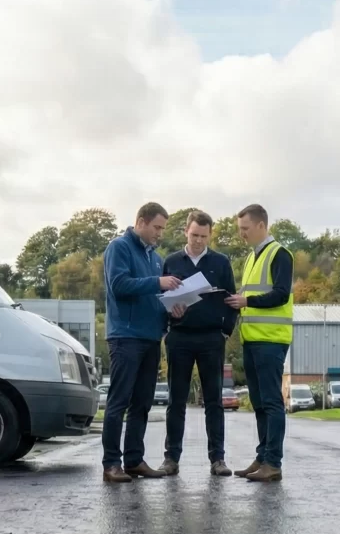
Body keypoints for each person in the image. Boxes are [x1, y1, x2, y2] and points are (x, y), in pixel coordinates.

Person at [100, 202, 183, 483]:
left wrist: (171, 309)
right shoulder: (119, 248)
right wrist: (157, 283)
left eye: (162, 229)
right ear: (141, 222)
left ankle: (134, 460)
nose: (160, 233)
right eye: (157, 227)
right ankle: (112, 463)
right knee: (118, 401)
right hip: (125, 336)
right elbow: (119, 286)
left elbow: (154, 295)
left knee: (142, 403)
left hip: (150, 338)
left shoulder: (156, 259)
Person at [157, 210, 238, 477]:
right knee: (176, 400)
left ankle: (218, 459)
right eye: (194, 235)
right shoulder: (171, 261)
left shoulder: (221, 263)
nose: (199, 241)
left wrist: (225, 331)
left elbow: (231, 300)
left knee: (214, 401)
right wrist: (170, 317)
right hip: (179, 337)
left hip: (211, 338)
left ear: (210, 234)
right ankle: (171, 459)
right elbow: (159, 299)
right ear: (185, 232)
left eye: (204, 236)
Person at [225, 204, 292, 482]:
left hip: (271, 341)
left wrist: (247, 300)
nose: (242, 234)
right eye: (240, 229)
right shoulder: (252, 258)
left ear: (261, 226)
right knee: (259, 402)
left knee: (271, 402)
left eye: (245, 229)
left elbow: (280, 294)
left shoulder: (280, 254)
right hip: (252, 340)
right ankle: (263, 456)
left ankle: (273, 463)